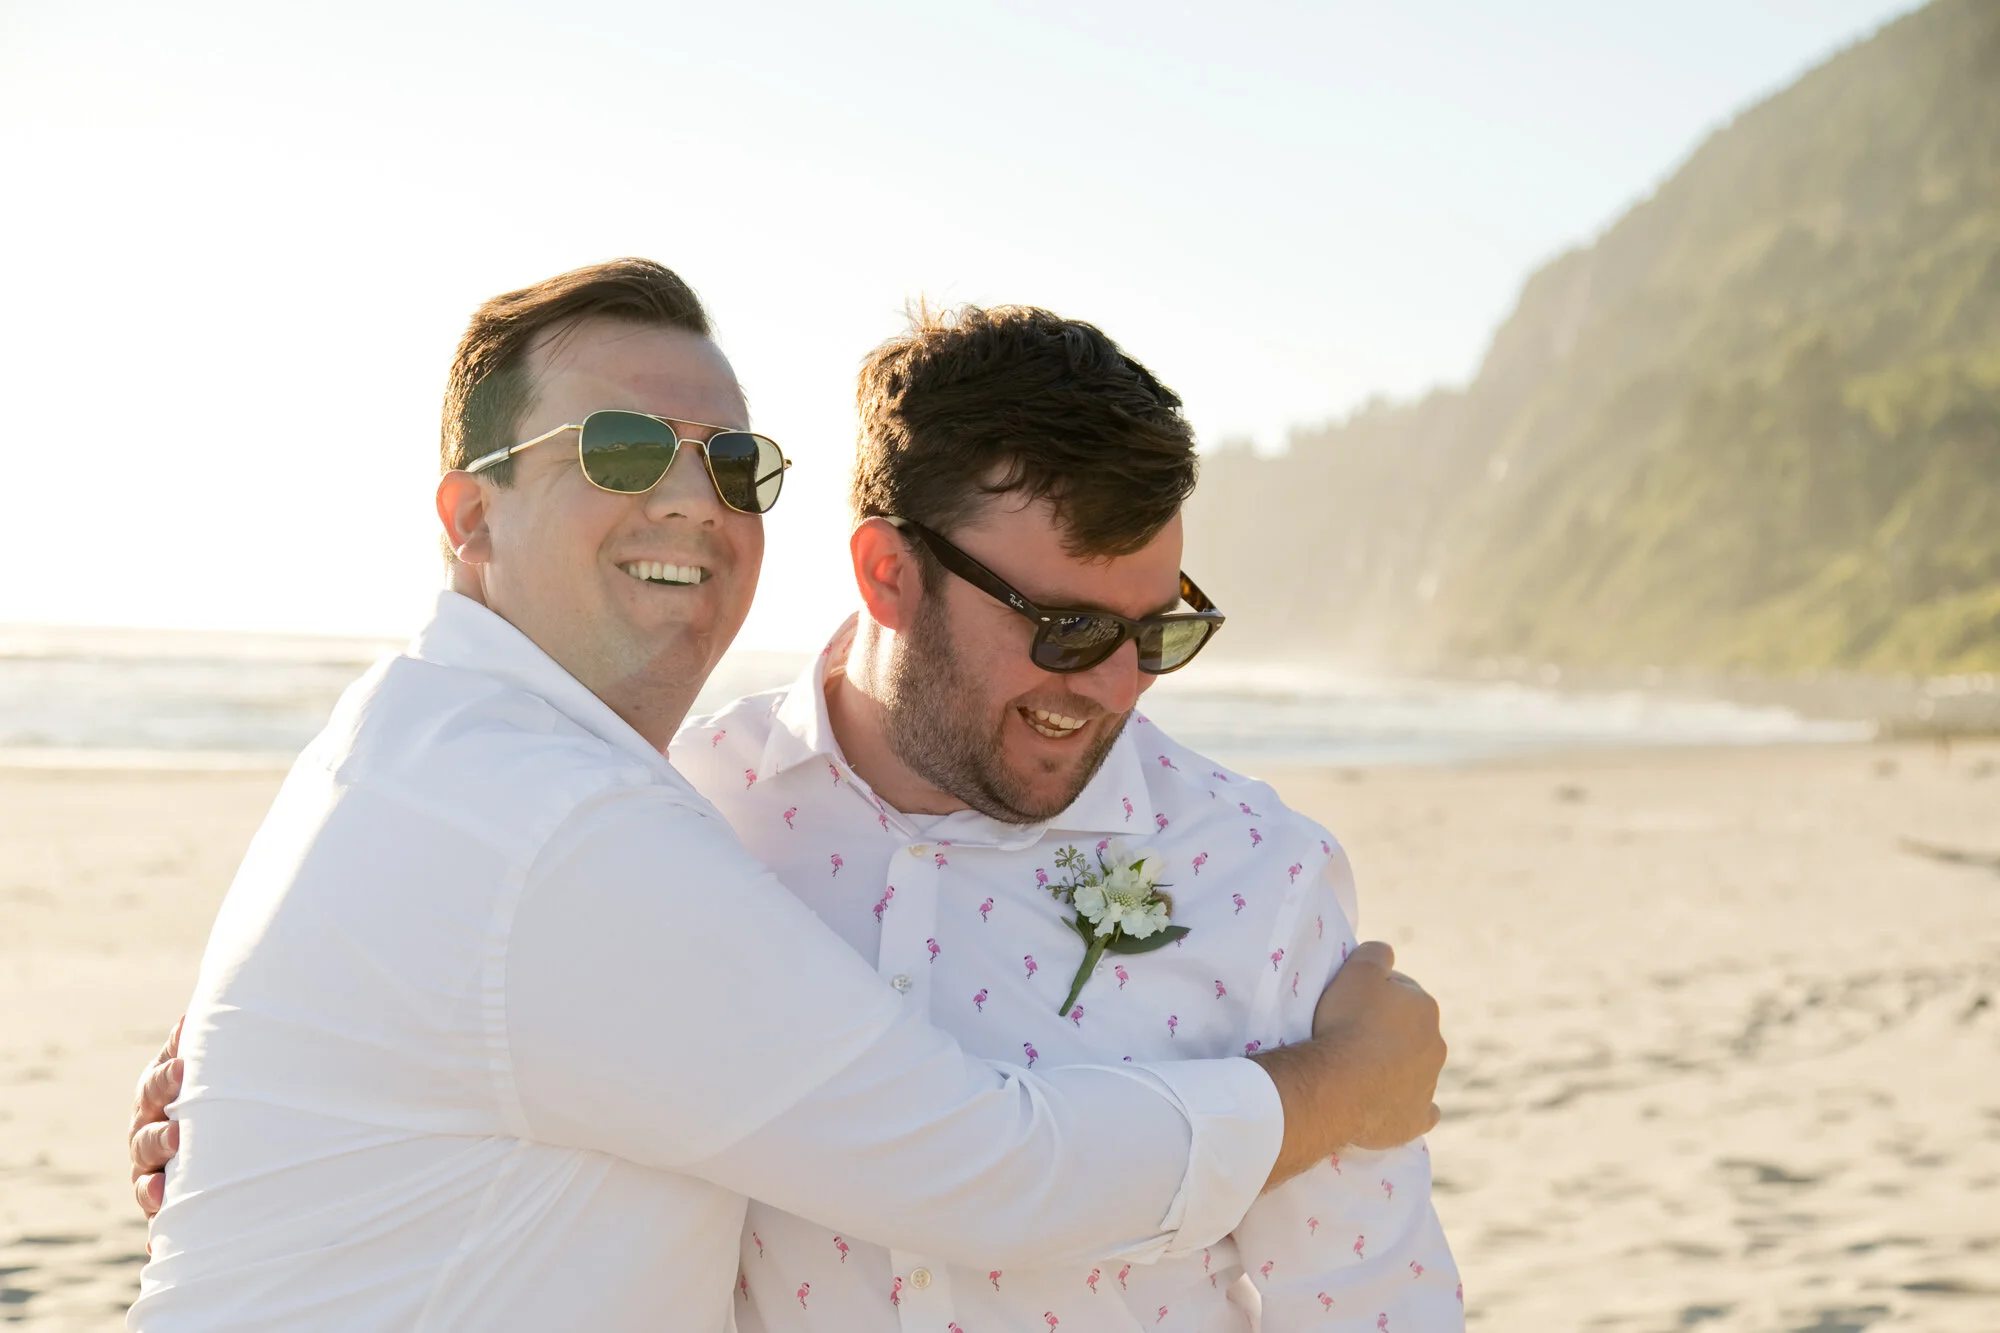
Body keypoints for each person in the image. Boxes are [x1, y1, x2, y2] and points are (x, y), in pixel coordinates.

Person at [124, 261, 1446, 1332]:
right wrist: (1338, 1086)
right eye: (1055, 626)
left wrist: (256, 1080)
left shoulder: (1252, 871)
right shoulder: (664, 822)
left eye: (1153, 634)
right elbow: (995, 1169)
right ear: (885, 575)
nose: (1106, 684)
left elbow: (1369, 1298)